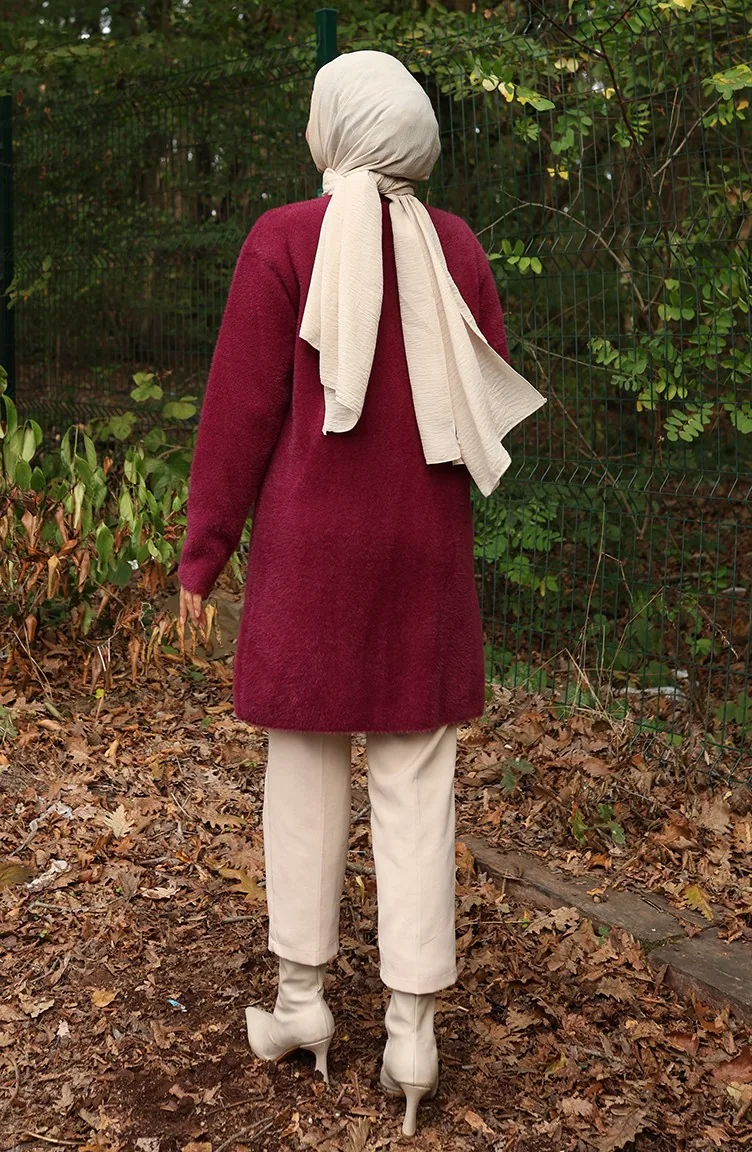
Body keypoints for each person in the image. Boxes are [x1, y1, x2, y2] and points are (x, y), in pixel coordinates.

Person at [177, 50, 545, 1137]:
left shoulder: (283, 238)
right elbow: (481, 388)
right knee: (416, 780)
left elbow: (239, 411)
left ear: (334, 127)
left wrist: (202, 553)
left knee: (303, 769)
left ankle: (301, 1003)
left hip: (311, 555)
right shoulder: (456, 246)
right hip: (422, 552)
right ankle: (412, 1029)